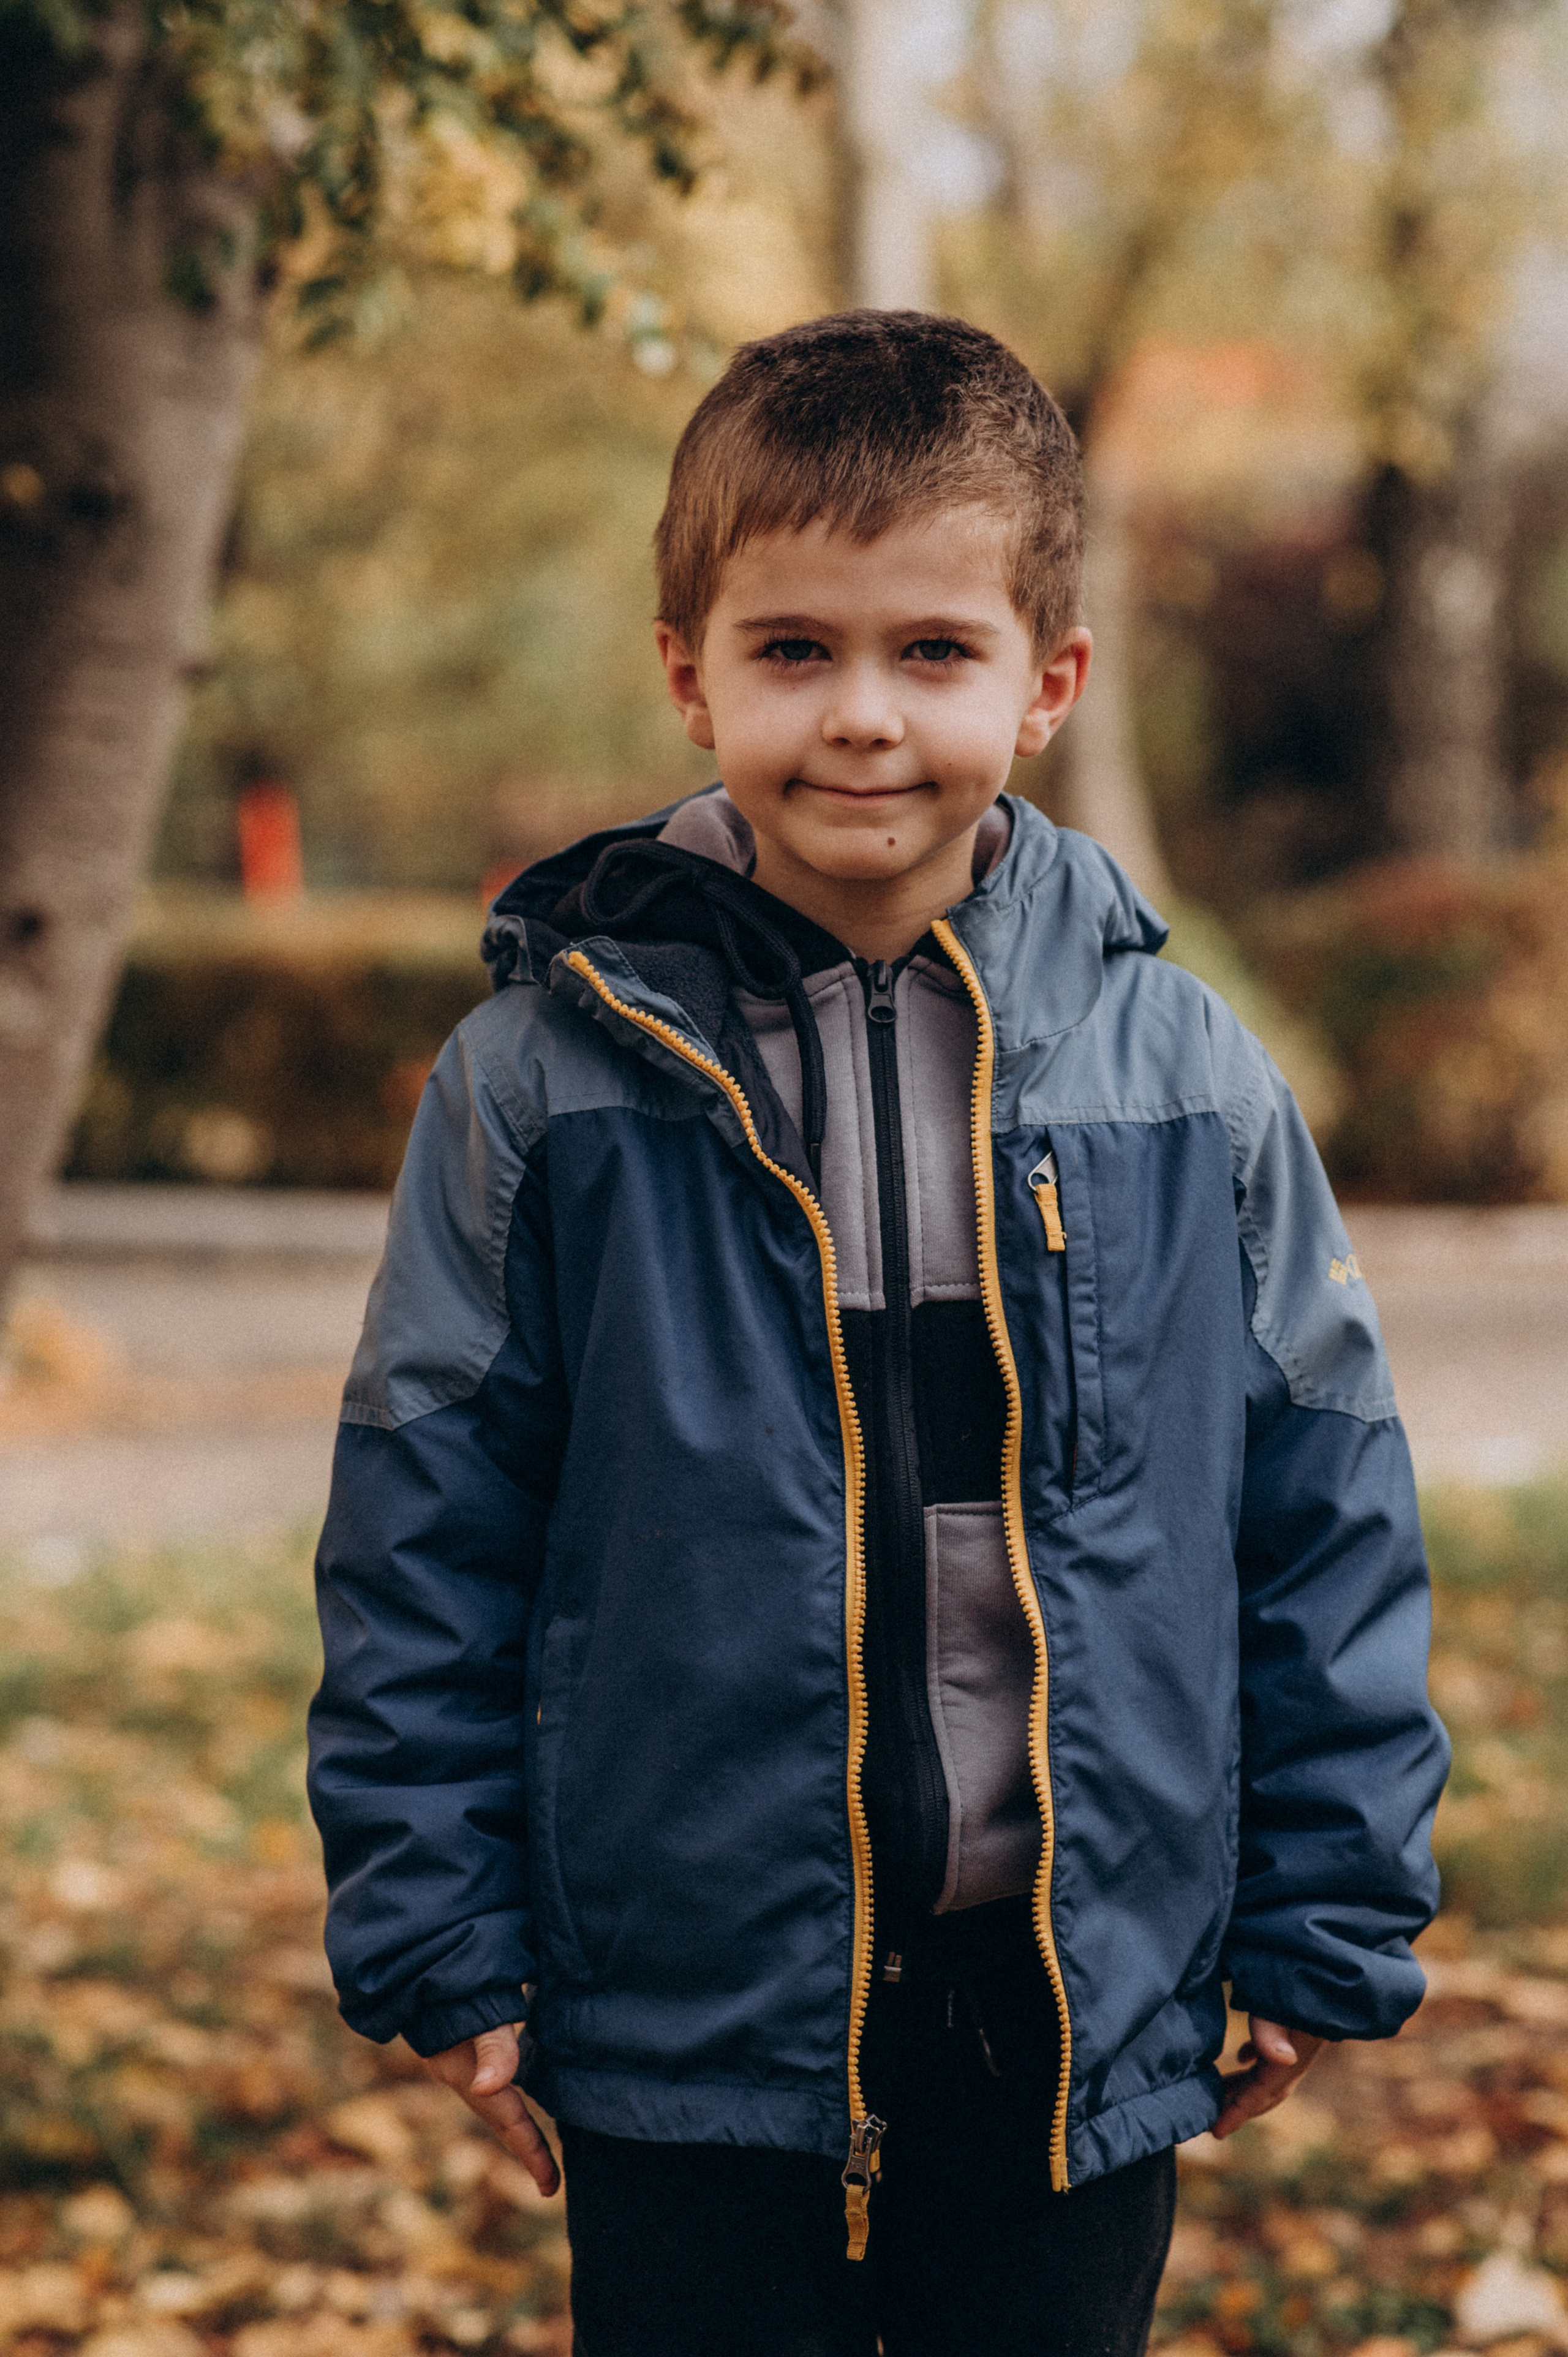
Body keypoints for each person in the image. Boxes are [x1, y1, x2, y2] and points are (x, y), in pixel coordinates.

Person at [307, 311, 1449, 2356]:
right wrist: (439, 1934)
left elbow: (1325, 1503)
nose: (862, 719)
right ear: (690, 671)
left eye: (934, 652)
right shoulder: (539, 1085)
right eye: (793, 650)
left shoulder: (1183, 1073)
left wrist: (1323, 1906)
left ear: (1047, 685)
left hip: (1067, 1994)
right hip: (685, 1999)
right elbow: (424, 1536)